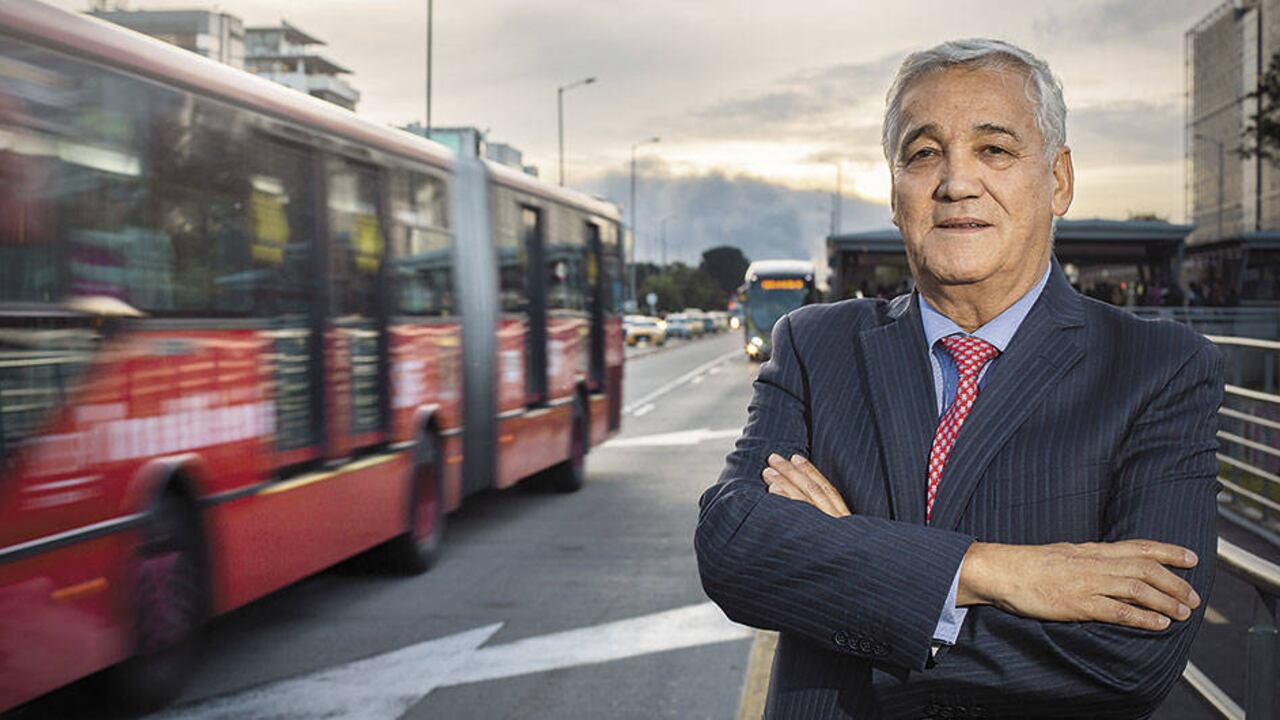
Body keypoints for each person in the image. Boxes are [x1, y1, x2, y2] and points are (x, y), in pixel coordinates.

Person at [695, 39, 1222, 719]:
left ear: (1058, 180)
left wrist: (845, 570)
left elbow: (1132, 656)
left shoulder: (1160, 368)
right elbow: (734, 548)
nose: (956, 182)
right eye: (923, 154)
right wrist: (995, 572)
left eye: (994, 149)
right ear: (894, 194)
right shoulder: (814, 345)